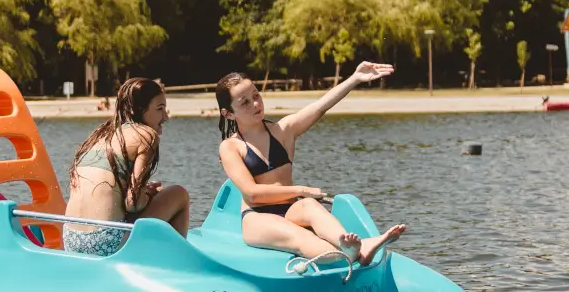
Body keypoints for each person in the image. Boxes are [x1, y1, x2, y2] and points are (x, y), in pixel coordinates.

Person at [215, 62, 405, 267]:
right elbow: (252, 193)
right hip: (257, 217)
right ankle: (345, 255)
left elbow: (320, 106)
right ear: (229, 114)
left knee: (310, 206)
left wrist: (355, 79)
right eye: (244, 102)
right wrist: (302, 190)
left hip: (291, 209)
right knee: (300, 238)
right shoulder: (230, 147)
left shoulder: (283, 130)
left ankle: (355, 247)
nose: (255, 104)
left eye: (256, 95)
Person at [63, 77, 190, 257]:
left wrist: (143, 191)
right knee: (179, 194)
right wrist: (148, 194)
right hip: (106, 242)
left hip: (71, 241)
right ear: (137, 109)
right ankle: (175, 264)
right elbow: (134, 204)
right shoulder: (147, 135)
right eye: (160, 109)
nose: (166, 117)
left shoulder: (100, 135)